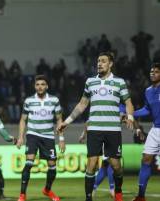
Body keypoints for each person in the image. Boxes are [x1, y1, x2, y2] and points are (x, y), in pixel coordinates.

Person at [57, 52, 136, 201]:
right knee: (91, 164)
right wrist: (66, 122)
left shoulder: (119, 82)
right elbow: (82, 104)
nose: (99, 64)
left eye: (103, 61)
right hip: (94, 129)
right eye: (98, 61)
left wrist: (130, 117)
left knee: (116, 166)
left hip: (113, 129)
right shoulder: (90, 81)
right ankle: (88, 198)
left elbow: (128, 102)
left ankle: (117, 191)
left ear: (110, 64)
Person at [16, 75, 66, 201]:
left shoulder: (54, 100)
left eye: (42, 84)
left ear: (47, 86)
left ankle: (47, 190)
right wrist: (20, 137)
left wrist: (61, 139)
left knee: (52, 166)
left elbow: (60, 119)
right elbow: (23, 120)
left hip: (48, 136)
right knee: (29, 163)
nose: (40, 87)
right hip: (32, 135)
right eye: (37, 84)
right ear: (34, 86)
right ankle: (22, 194)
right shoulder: (29, 101)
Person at [131, 63, 160, 201]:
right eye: (151, 71)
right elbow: (147, 109)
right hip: (155, 130)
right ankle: (141, 196)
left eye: (156, 71)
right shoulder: (148, 91)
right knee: (146, 159)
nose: (152, 73)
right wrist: (132, 113)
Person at [79, 124, 115, 198]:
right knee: (110, 163)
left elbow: (87, 123)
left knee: (104, 166)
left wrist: (83, 135)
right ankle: (112, 189)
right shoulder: (101, 115)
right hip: (104, 138)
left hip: (102, 138)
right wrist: (83, 135)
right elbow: (87, 123)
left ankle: (94, 188)